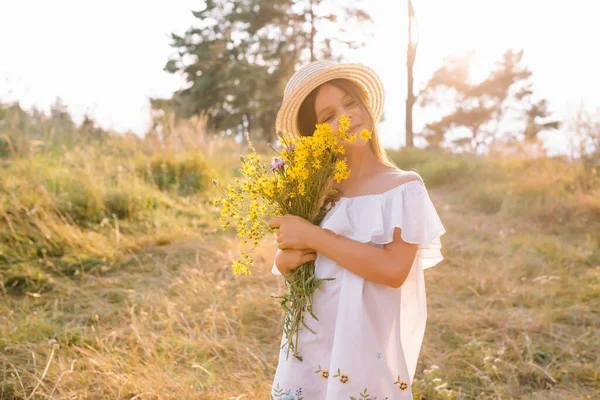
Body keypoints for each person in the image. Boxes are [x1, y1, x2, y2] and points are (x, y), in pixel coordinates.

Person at [268, 60, 446, 400]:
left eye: (350, 103)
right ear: (314, 133)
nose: (346, 117)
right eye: (328, 116)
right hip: (310, 338)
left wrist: (314, 236)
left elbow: (393, 270)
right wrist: (286, 256)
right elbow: (289, 258)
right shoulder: (314, 190)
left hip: (362, 343)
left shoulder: (403, 188)